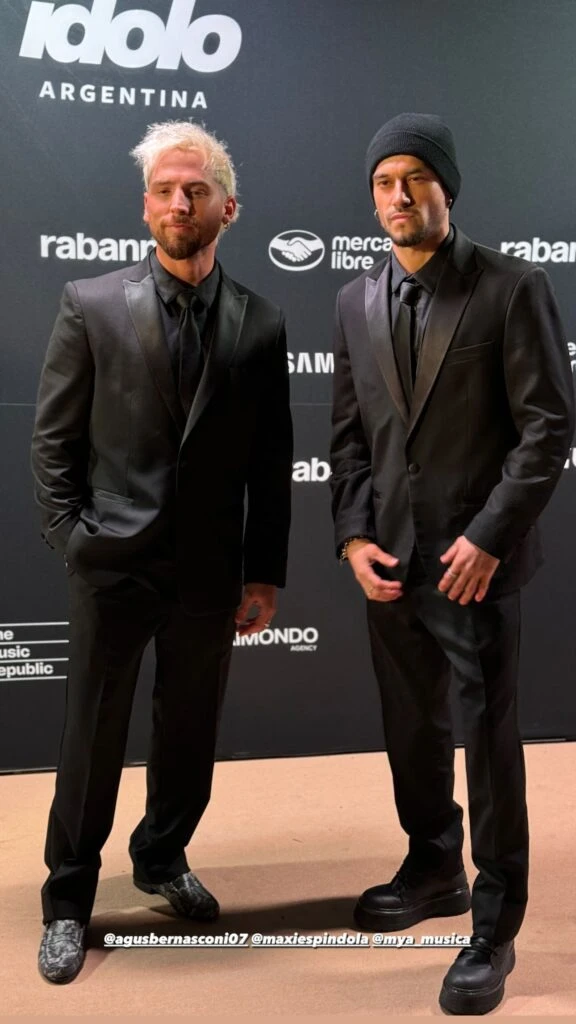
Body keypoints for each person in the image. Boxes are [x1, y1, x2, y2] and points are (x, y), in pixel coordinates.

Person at [32, 120, 293, 984]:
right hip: (112, 564)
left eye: (196, 190)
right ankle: (68, 900)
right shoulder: (91, 303)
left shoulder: (262, 321)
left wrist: (264, 572)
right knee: (91, 739)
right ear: (146, 206)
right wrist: (75, 540)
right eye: (165, 190)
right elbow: (54, 442)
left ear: (227, 208)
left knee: (188, 734)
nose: (180, 203)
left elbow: (270, 460)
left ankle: (161, 856)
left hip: (210, 573)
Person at [330, 112, 574, 1015]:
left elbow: (547, 430)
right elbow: (349, 437)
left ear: (446, 187)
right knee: (411, 728)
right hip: (389, 562)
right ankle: (433, 864)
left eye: (415, 177)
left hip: (477, 565)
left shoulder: (511, 287)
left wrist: (490, 536)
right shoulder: (354, 301)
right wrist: (353, 538)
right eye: (383, 182)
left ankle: (494, 927)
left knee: (488, 743)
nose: (398, 195)